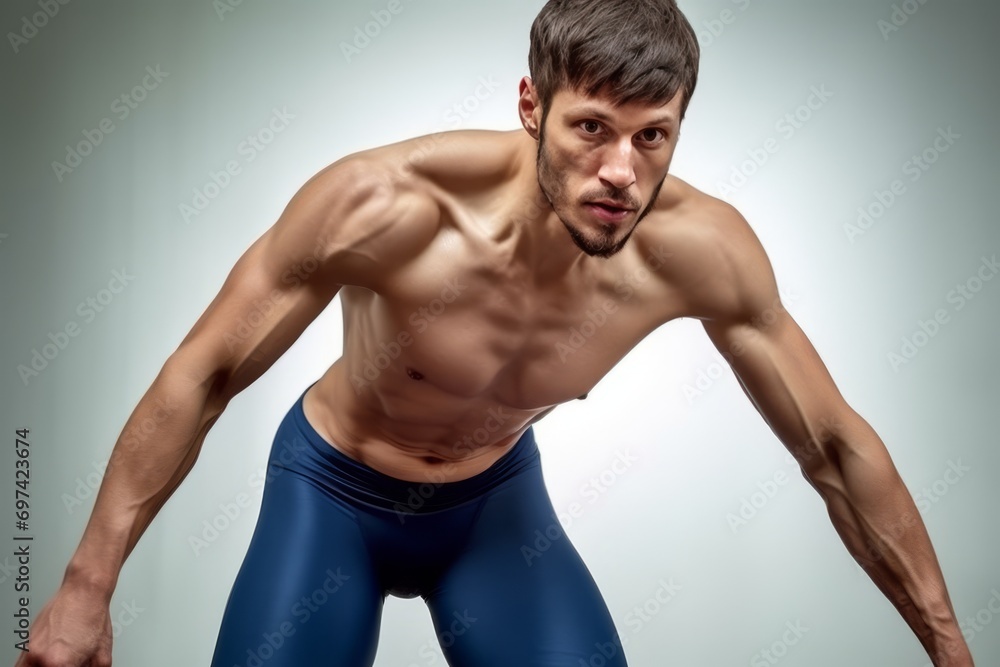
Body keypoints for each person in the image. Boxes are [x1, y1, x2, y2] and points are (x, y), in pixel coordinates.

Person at [16, 1, 975, 665]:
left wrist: (946, 642)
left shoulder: (703, 252)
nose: (620, 174)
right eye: (591, 128)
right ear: (531, 107)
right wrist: (84, 585)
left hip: (492, 514)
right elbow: (207, 370)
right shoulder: (386, 207)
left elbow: (834, 447)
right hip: (330, 494)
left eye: (653, 137)